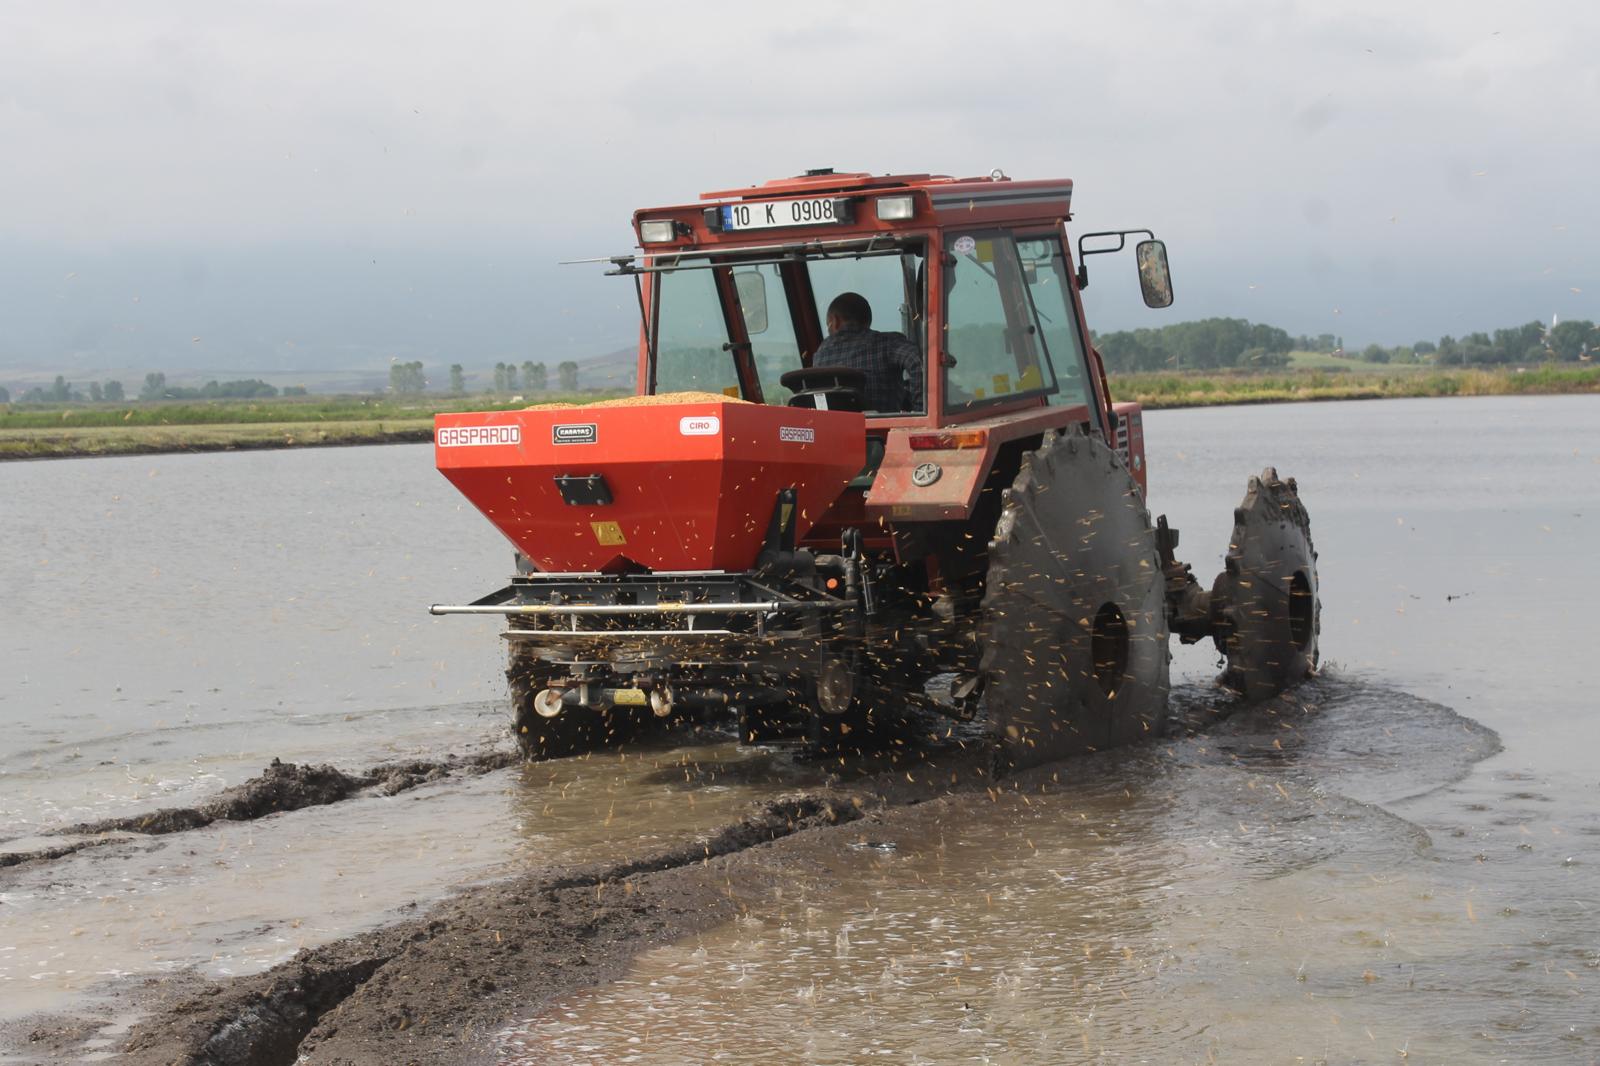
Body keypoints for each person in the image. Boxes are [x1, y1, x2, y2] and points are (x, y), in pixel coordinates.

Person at [810, 292, 923, 413]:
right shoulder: (887, 343)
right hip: (881, 430)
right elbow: (918, 361)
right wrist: (920, 410)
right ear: (867, 322)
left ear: (835, 321)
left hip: (832, 429)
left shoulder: (820, 354)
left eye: (828, 325)